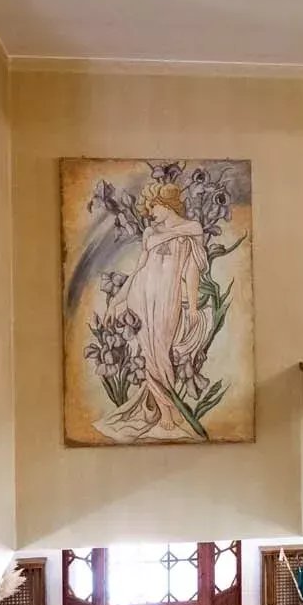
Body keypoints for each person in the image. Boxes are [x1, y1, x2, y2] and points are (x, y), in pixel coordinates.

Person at [97, 183, 214, 441]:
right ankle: (166, 415)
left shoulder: (191, 229)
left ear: (166, 205)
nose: (150, 213)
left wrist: (193, 306)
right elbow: (139, 270)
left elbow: (191, 270)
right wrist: (116, 301)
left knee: (162, 352)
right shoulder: (151, 232)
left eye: (153, 207)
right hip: (141, 297)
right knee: (149, 355)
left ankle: (170, 411)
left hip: (168, 299)